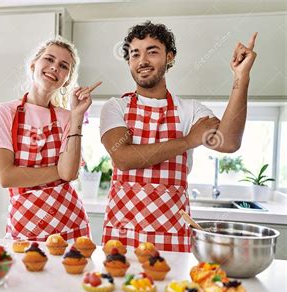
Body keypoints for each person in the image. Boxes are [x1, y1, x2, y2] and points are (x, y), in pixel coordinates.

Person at [100, 21, 257, 252]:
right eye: (135, 54)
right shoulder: (115, 107)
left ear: (170, 57)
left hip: (171, 235)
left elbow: (230, 142)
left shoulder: (190, 110)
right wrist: (188, 141)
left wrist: (241, 77)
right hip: (122, 234)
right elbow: (123, 158)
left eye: (152, 52)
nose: (142, 61)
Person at [0, 38, 101, 241]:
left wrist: (77, 115)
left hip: (71, 224)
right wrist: (59, 172)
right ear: (33, 64)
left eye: (64, 66)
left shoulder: (67, 117)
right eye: (49, 59)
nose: (55, 67)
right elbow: (5, 177)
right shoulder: (4, 112)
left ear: (67, 80)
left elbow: (69, 173)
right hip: (25, 226)